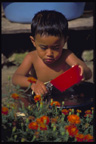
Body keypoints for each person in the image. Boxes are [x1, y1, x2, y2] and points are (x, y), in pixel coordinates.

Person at [12, 10, 92, 97]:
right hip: (41, 99)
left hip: (64, 98)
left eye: (56, 48)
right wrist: (34, 83)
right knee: (19, 94)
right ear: (33, 41)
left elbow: (88, 74)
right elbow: (16, 78)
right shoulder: (32, 57)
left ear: (64, 41)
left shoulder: (66, 56)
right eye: (43, 48)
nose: (49, 53)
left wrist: (82, 72)